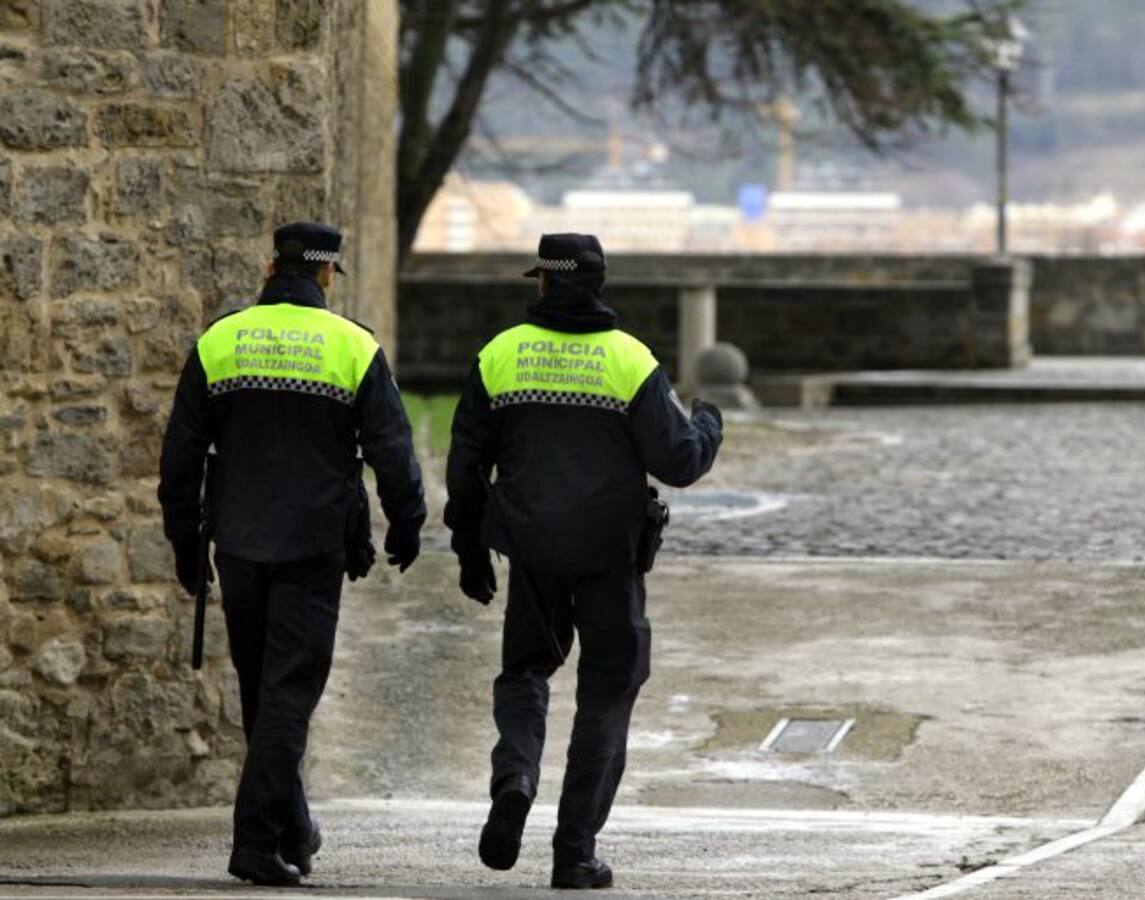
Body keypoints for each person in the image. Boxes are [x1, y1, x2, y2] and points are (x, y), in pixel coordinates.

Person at [444, 233, 723, 890]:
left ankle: (515, 775)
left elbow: (464, 465)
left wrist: (468, 548)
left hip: (532, 551)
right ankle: (574, 853)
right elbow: (678, 461)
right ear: (599, 284)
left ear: (543, 282)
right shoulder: (629, 361)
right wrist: (710, 422)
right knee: (607, 691)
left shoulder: (501, 354)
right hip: (609, 556)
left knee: (523, 674)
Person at [158, 222, 426, 886]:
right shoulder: (352, 346)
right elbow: (393, 448)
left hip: (240, 543)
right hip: (313, 545)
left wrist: (186, 545)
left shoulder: (221, 341)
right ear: (327, 275)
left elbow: (179, 459)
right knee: (288, 694)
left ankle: (294, 829)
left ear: (268, 265)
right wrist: (407, 521)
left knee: (265, 691)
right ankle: (254, 841)